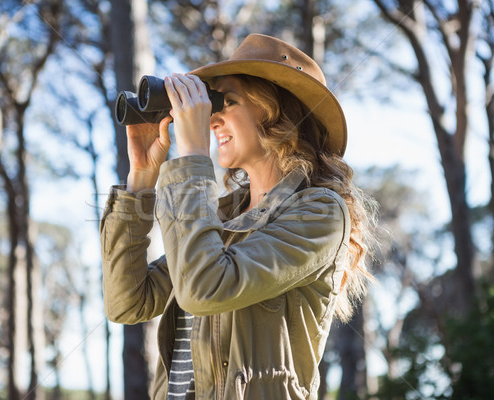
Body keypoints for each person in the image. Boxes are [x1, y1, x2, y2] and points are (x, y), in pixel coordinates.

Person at [100, 34, 377, 399]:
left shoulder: (321, 213)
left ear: (279, 111)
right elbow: (128, 302)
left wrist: (192, 156)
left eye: (226, 101)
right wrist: (142, 177)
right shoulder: (223, 217)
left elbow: (205, 288)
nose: (212, 118)